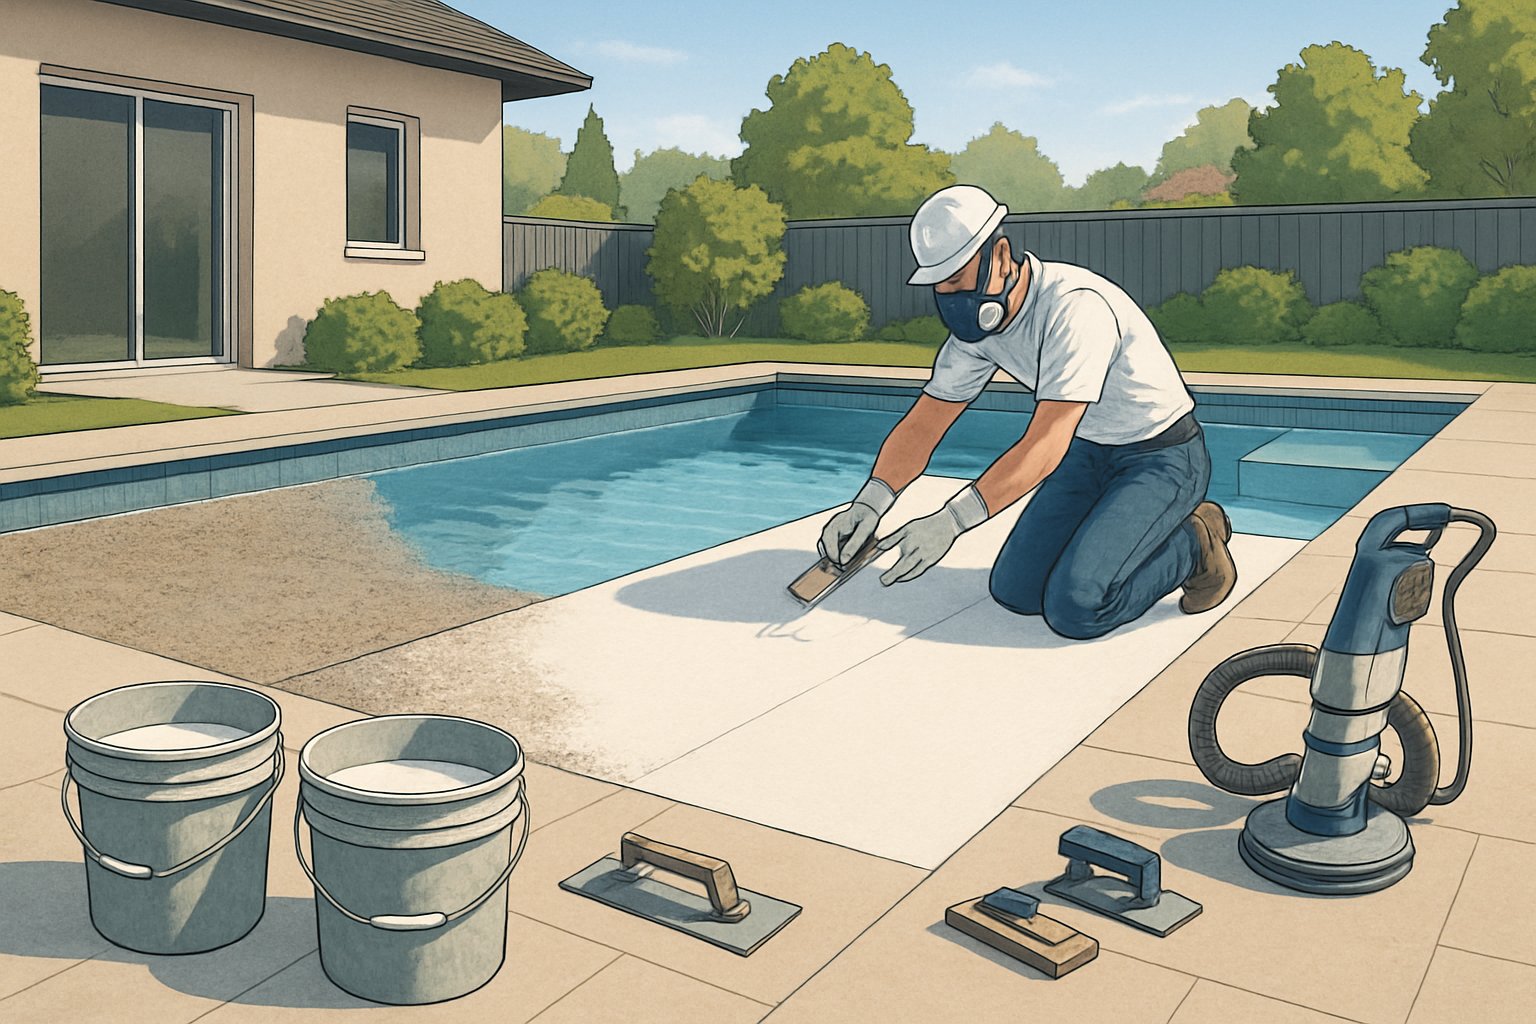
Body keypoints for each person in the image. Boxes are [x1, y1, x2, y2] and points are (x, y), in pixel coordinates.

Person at [819, 184, 1236, 640]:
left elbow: (1045, 444)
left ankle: (1195, 542)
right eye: (940, 283)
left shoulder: (1075, 308)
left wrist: (951, 521)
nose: (950, 294)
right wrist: (869, 503)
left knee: (1076, 609)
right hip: (1089, 452)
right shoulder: (978, 332)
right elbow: (925, 423)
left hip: (1162, 456)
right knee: (1015, 591)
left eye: (958, 277)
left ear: (999, 257)